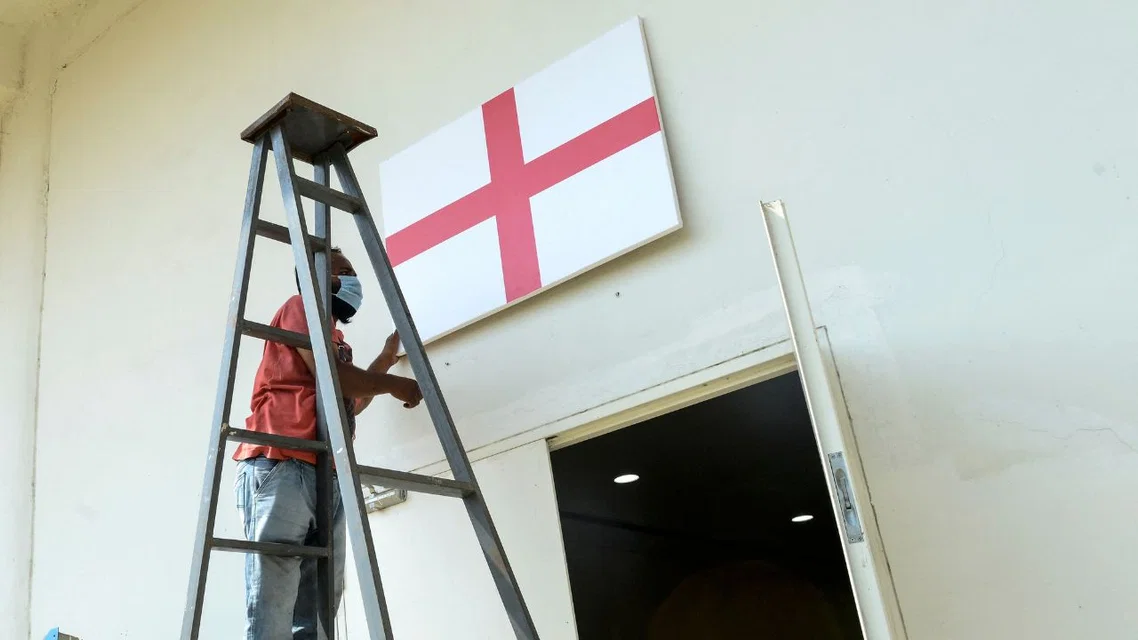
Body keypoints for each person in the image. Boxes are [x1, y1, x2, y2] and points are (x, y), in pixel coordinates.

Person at [233, 247, 422, 639]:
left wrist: (386, 360)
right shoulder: (300, 307)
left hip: (325, 472)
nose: (353, 281)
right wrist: (393, 384)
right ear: (319, 276)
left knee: (320, 610)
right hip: (281, 461)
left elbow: (349, 401)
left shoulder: (335, 339)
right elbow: (334, 377)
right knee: (274, 602)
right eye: (344, 272)